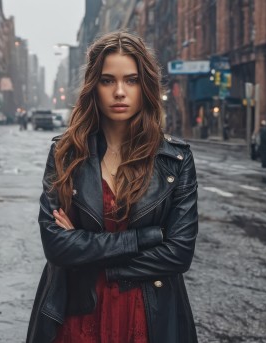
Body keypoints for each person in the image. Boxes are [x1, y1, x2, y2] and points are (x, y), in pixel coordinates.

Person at [26, 31, 199, 343]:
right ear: (94, 86)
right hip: (78, 314)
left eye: (131, 80)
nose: (120, 91)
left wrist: (91, 252)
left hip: (150, 316)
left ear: (144, 86)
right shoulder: (65, 154)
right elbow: (56, 246)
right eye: (108, 80)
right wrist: (146, 237)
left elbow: (178, 254)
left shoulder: (175, 159)